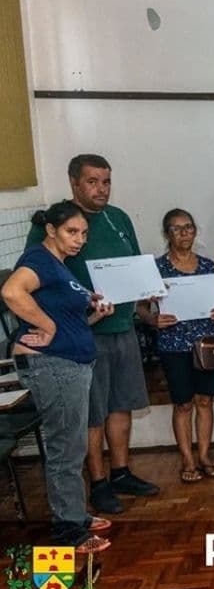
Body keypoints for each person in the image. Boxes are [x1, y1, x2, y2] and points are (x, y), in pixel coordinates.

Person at [26, 154, 159, 515]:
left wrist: (146, 298)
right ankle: (97, 483)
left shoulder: (118, 218)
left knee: (121, 403)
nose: (101, 189)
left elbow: (134, 265)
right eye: (92, 182)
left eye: (106, 181)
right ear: (74, 183)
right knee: (92, 413)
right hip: (83, 333)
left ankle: (120, 472)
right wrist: (63, 318)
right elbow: (35, 280)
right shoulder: (55, 222)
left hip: (122, 326)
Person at [3, 202, 115, 554]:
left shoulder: (61, 267)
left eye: (83, 233)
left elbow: (72, 324)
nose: (79, 239)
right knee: (65, 450)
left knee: (71, 445)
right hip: (55, 366)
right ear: (51, 230)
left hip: (71, 362)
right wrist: (47, 325)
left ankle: (75, 515)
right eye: (71, 232)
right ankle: (70, 532)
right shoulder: (38, 260)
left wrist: (95, 314)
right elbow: (10, 292)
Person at [138, 209, 214, 483]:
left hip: (207, 341)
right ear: (167, 234)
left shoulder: (207, 265)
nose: (184, 234)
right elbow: (141, 307)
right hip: (173, 343)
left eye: (188, 227)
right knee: (182, 404)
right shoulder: (156, 268)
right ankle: (187, 460)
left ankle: (204, 455)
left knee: (205, 400)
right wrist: (152, 319)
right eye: (177, 229)